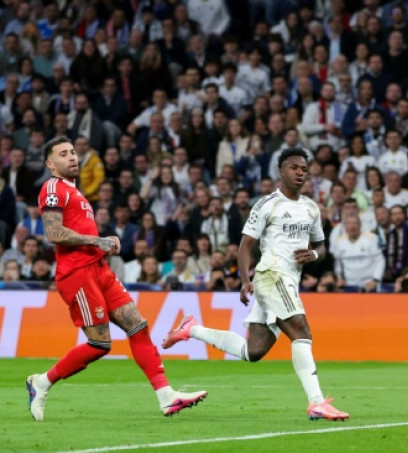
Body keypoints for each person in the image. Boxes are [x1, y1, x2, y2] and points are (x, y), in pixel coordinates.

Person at [26, 136, 207, 421]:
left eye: (73, 152)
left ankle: (166, 396)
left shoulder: (76, 192)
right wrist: (97, 240)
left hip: (99, 270)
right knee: (100, 345)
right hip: (77, 274)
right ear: (51, 164)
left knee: (138, 326)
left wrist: (97, 245)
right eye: (63, 154)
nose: (71, 157)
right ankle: (42, 382)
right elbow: (53, 233)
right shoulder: (52, 188)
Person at [162, 148, 348, 421]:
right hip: (272, 275)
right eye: (294, 168)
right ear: (281, 171)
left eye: (304, 169)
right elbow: (245, 245)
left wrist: (314, 254)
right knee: (301, 332)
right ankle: (317, 402)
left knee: (253, 352)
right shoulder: (266, 205)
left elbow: (321, 244)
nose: (300, 173)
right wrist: (245, 280)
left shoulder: (310, 208)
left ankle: (192, 329)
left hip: (289, 281)